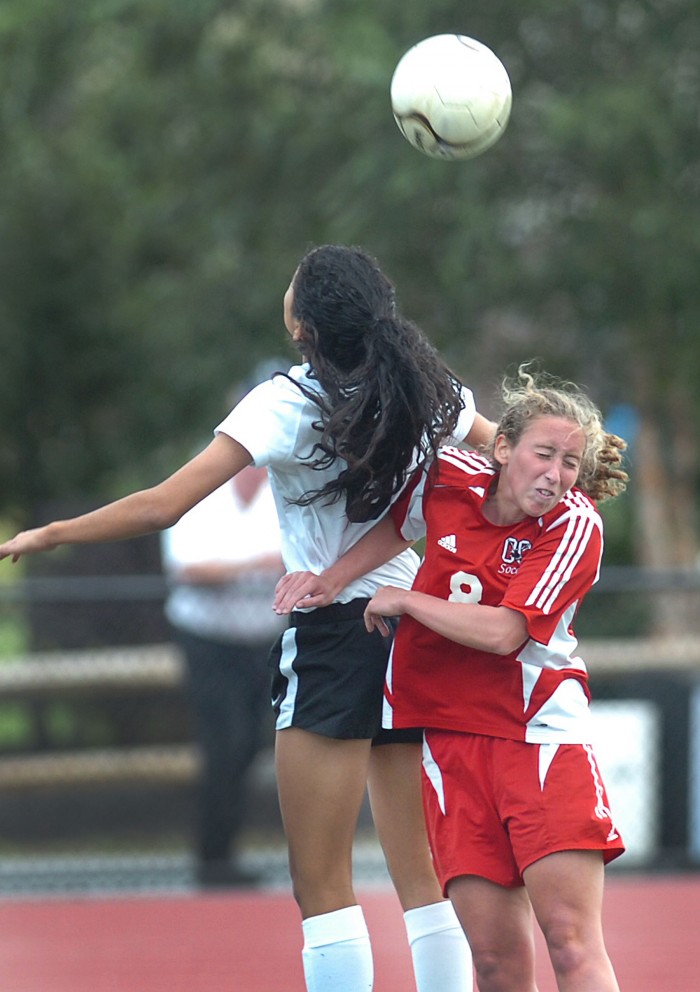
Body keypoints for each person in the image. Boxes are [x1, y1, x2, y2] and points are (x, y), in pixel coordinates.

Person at [0, 244, 496, 992]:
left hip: (337, 636)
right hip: (421, 631)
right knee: (424, 881)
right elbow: (504, 463)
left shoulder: (285, 402)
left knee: (322, 887)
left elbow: (163, 505)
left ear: (304, 326)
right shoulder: (430, 389)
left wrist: (55, 534)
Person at [274, 365, 628, 992]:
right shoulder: (448, 479)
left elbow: (503, 633)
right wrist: (332, 579)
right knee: (493, 963)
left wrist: (406, 600)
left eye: (570, 463)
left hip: (537, 741)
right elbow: (396, 526)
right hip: (449, 745)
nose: (555, 474)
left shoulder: (574, 525)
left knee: (571, 946)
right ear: (502, 448)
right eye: (543, 454)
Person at [161, 461, 285, 887]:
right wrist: (259, 564)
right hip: (209, 640)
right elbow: (189, 570)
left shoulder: (282, 497)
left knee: (250, 743)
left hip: (261, 641)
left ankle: (225, 852)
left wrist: (238, 568)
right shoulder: (201, 498)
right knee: (225, 742)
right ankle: (212, 856)